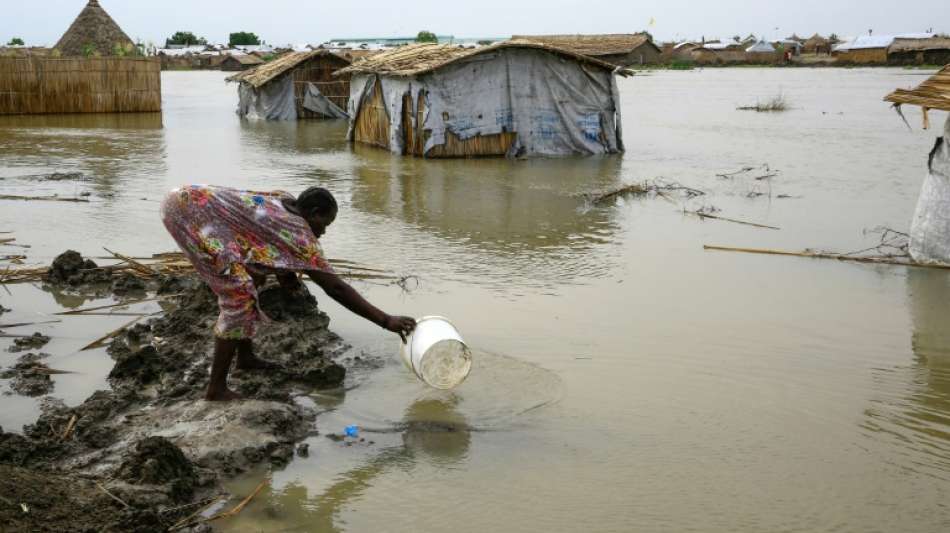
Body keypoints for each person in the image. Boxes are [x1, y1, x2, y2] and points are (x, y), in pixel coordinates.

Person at [161, 185, 416, 401]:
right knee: (237, 297)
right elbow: (335, 288)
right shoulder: (300, 235)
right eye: (324, 224)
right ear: (313, 213)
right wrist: (385, 320)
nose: (323, 232)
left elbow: (269, 238)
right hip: (187, 214)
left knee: (252, 280)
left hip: (189, 199)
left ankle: (246, 358)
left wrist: (287, 274)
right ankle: (216, 389)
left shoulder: (285, 201)